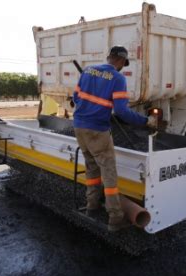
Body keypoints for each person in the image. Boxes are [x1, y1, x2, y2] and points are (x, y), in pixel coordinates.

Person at [73, 45, 156, 231]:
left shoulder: (87, 70)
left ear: (109, 56)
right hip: (97, 130)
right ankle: (116, 217)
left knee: (91, 168)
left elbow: (75, 97)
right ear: (119, 60)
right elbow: (121, 111)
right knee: (108, 172)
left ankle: (92, 206)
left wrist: (92, 108)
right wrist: (145, 121)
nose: (122, 67)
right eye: (123, 64)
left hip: (79, 126)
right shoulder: (118, 78)